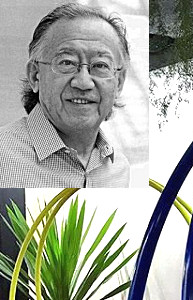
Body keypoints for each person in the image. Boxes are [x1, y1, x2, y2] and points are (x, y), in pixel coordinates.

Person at [0, 3, 131, 188]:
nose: (83, 82)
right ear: (35, 75)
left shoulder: (119, 169)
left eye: (100, 65)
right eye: (67, 63)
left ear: (119, 82)